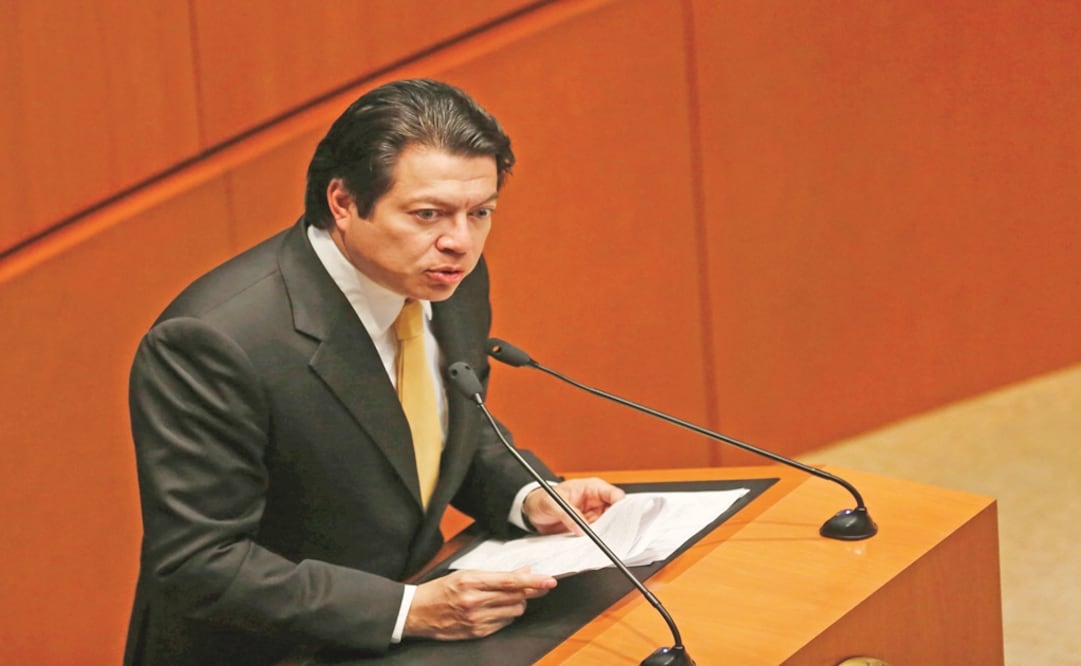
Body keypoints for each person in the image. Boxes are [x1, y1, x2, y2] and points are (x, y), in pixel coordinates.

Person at [124, 78, 625, 665]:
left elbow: (436, 426)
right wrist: (406, 610)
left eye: (480, 212)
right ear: (343, 202)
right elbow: (201, 562)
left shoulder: (447, 281)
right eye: (428, 214)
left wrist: (527, 496)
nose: (459, 242)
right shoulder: (213, 341)